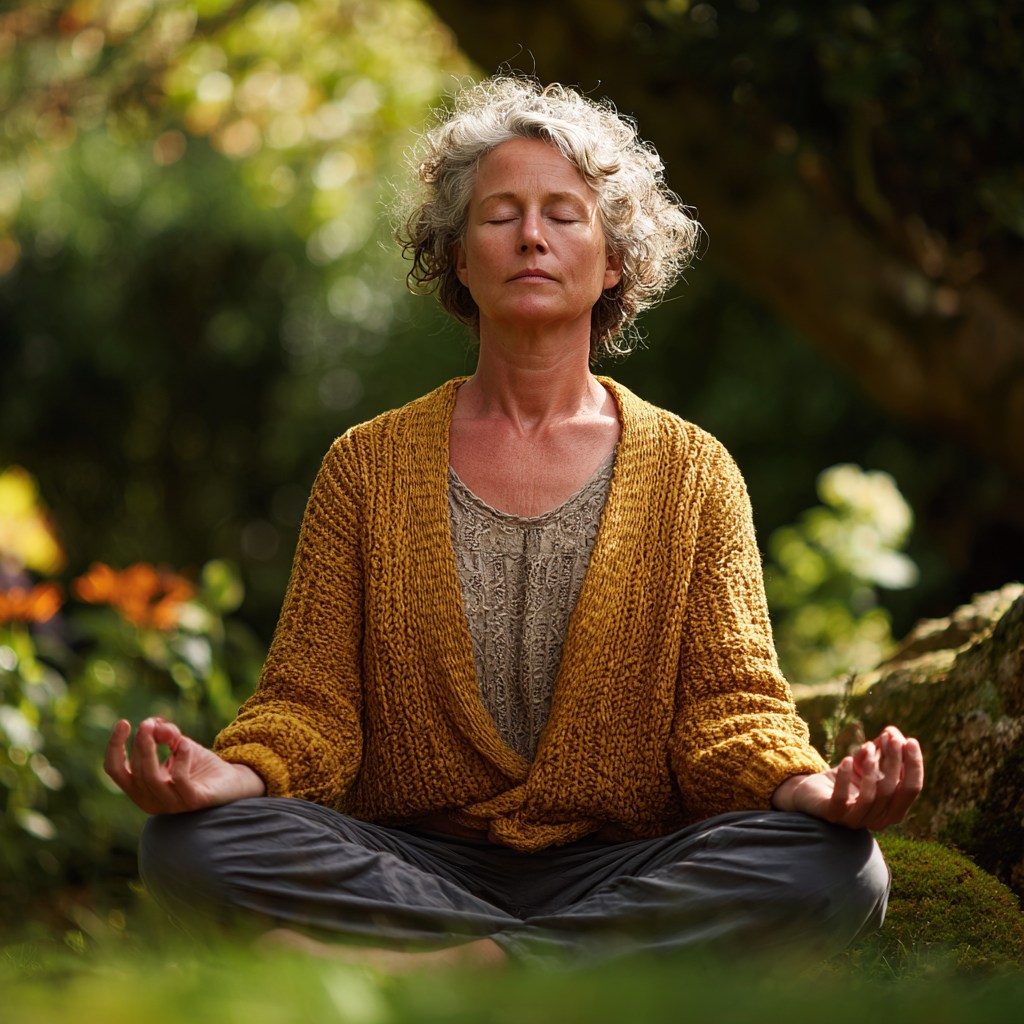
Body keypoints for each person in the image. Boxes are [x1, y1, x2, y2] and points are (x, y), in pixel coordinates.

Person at [105, 77, 923, 968]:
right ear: (457, 256)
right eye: (500, 214)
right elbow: (313, 706)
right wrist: (232, 777)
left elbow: (728, 713)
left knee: (839, 867)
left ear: (616, 259)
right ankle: (570, 969)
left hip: (621, 866)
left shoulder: (694, 473)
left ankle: (459, 974)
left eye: (564, 214)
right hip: (413, 861)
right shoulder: (365, 468)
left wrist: (810, 790)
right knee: (188, 846)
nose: (531, 235)